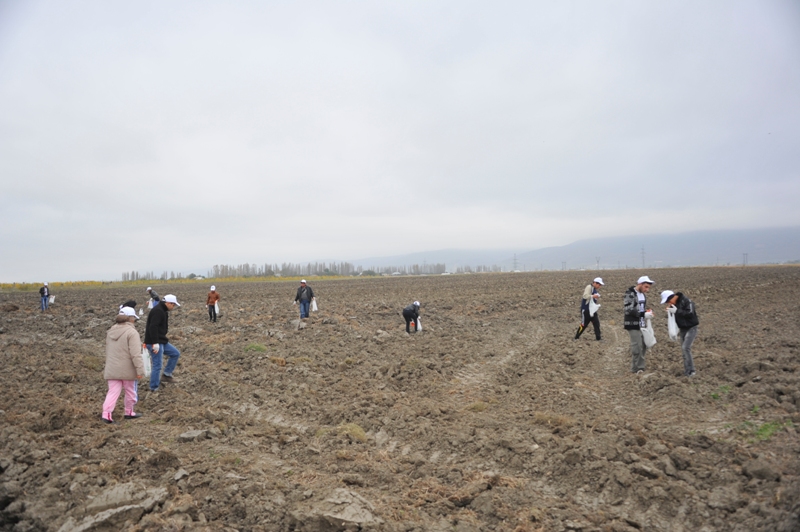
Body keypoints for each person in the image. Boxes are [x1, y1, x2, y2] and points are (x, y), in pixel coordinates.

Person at [102, 307, 145, 424]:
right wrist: (140, 370)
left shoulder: (110, 332)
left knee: (112, 392)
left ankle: (106, 415)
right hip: (127, 369)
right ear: (130, 319)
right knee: (130, 391)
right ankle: (129, 412)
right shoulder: (132, 333)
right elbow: (135, 354)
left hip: (112, 368)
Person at [144, 294, 181, 391]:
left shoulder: (163, 311)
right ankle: (153, 387)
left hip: (161, 340)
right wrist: (155, 343)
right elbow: (153, 327)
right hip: (154, 342)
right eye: (173, 305)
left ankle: (166, 375)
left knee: (175, 353)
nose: (173, 307)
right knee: (158, 365)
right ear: (168, 303)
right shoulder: (158, 311)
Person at [661, 290, 699, 377]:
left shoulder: (686, 301)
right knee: (683, 350)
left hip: (691, 328)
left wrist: (677, 311)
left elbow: (690, 313)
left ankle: (692, 371)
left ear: (673, 297)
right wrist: (670, 311)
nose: (668, 303)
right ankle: (687, 371)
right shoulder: (674, 304)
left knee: (686, 347)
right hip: (682, 329)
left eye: (668, 301)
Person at [623, 276, 655, 374]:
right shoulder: (630, 293)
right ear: (640, 284)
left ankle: (635, 368)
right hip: (632, 324)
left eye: (648, 287)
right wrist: (643, 314)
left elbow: (640, 308)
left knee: (644, 345)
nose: (647, 290)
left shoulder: (643, 295)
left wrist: (647, 312)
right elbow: (628, 309)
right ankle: (639, 369)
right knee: (637, 346)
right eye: (645, 287)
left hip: (641, 323)